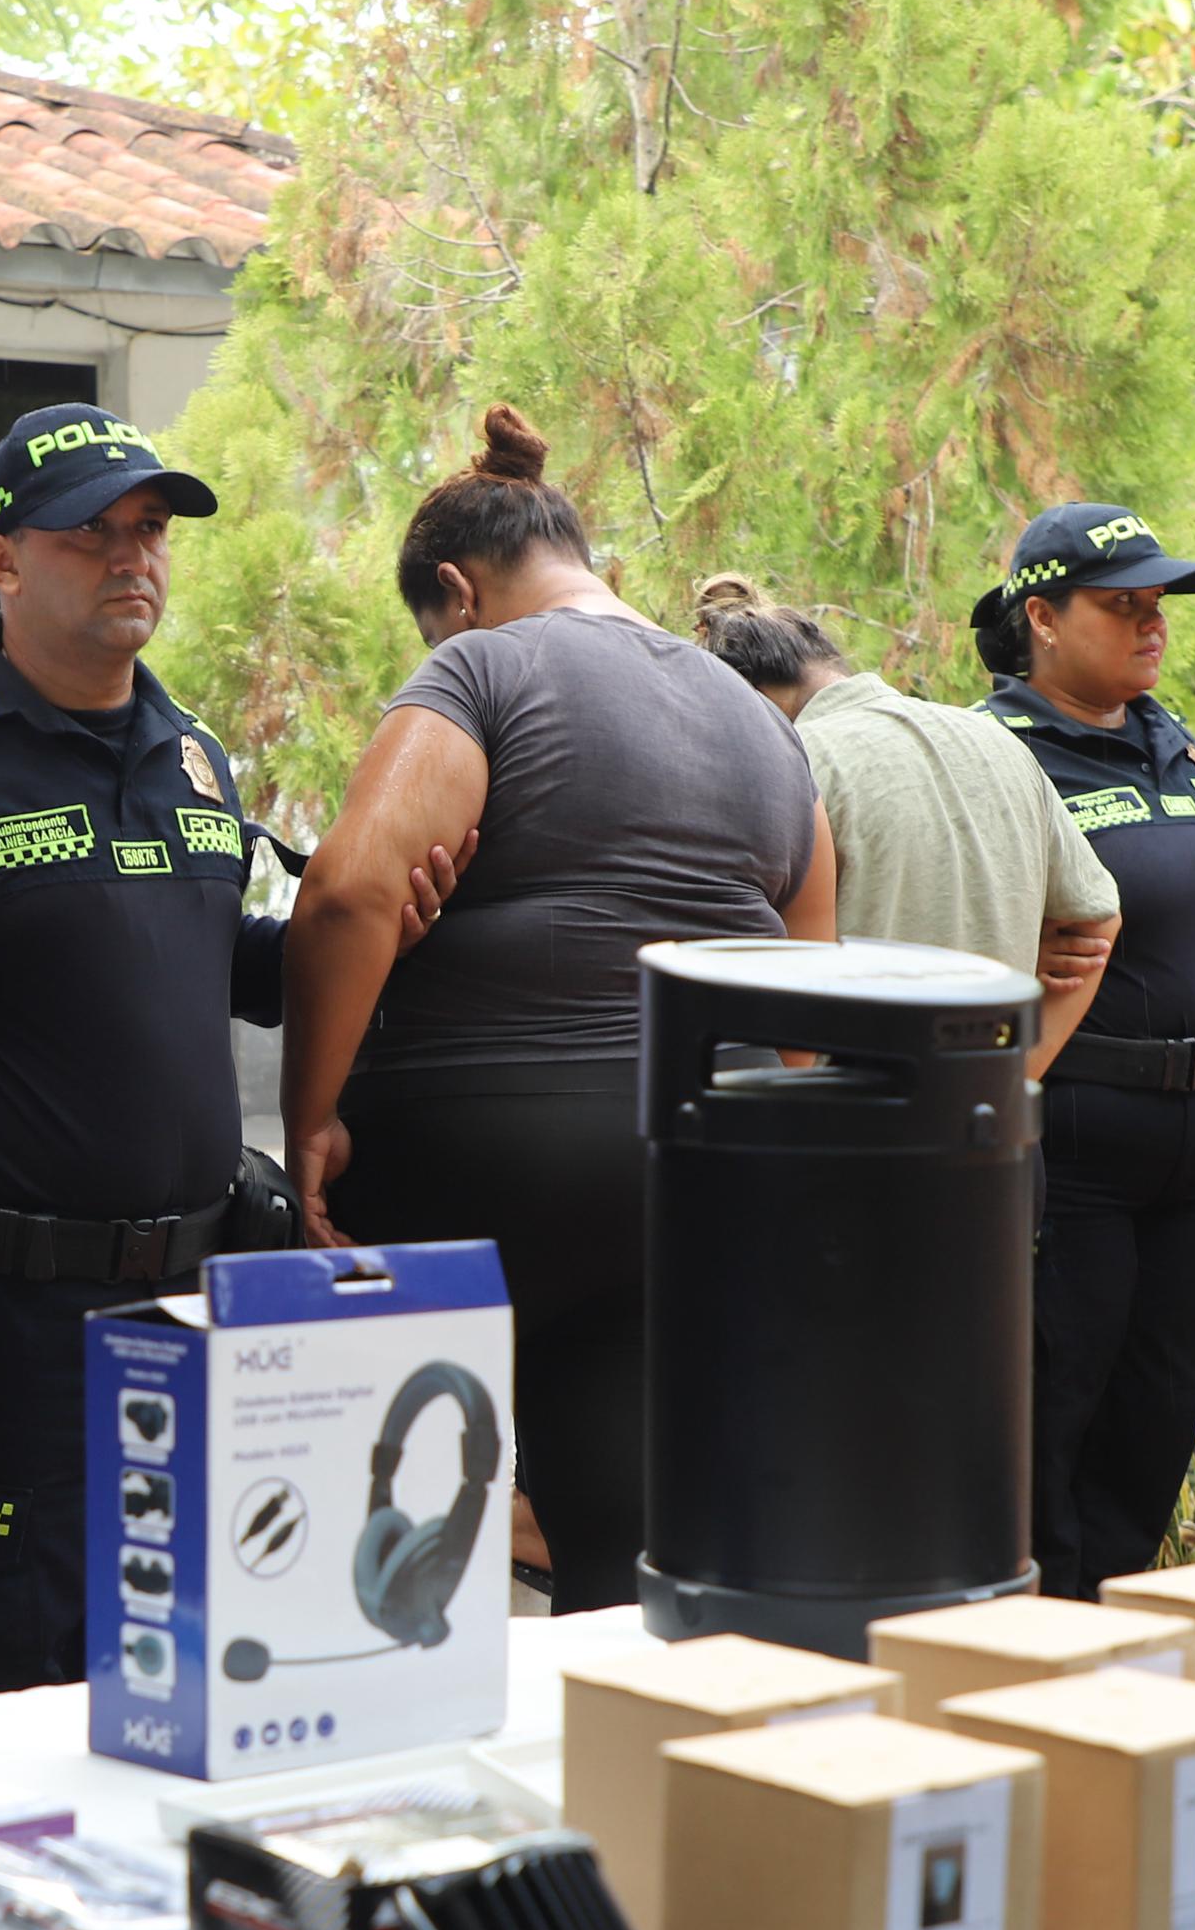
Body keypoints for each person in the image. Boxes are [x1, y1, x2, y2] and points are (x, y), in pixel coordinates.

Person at [0, 404, 461, 1700]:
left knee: (185, 1664)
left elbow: (217, 970)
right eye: (93, 535)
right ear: (2, 560)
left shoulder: (194, 761)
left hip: (194, 1305)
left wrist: (363, 934)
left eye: (151, 532)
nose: (135, 558)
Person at [279, 409, 830, 1615]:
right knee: (618, 1525)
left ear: (452, 591)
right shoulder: (767, 725)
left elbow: (346, 895)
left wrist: (309, 1117)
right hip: (691, 1164)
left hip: (477, 1145)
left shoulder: (479, 666)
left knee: (384, 1521)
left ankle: (377, 1728)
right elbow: (810, 999)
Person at [973, 505, 1195, 1598]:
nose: (1151, 622)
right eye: (1121, 603)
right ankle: (1035, 1634)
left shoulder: (1172, 741)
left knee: (1157, 1405)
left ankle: (1112, 1625)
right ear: (1041, 617)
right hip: (1075, 1148)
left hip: (1194, 1156)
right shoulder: (998, 754)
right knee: (1056, 1403)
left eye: (1157, 603)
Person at [690, 574, 1120, 1078]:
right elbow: (1099, 919)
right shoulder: (996, 740)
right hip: (987, 1129)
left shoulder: (794, 763)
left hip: (843, 1127)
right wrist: (1015, 1078)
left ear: (745, 697)